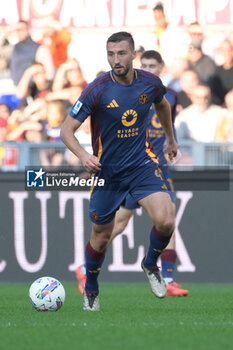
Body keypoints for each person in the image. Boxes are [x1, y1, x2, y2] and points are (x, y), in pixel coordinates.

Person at [60, 32, 178, 311]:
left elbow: (162, 104)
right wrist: (84, 155)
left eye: (121, 53)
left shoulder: (150, 82)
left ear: (133, 54)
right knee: (100, 237)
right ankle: (91, 287)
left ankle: (150, 263)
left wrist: (171, 139)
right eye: (111, 54)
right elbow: (66, 130)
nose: (116, 60)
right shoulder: (96, 89)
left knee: (166, 220)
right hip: (107, 172)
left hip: (141, 165)